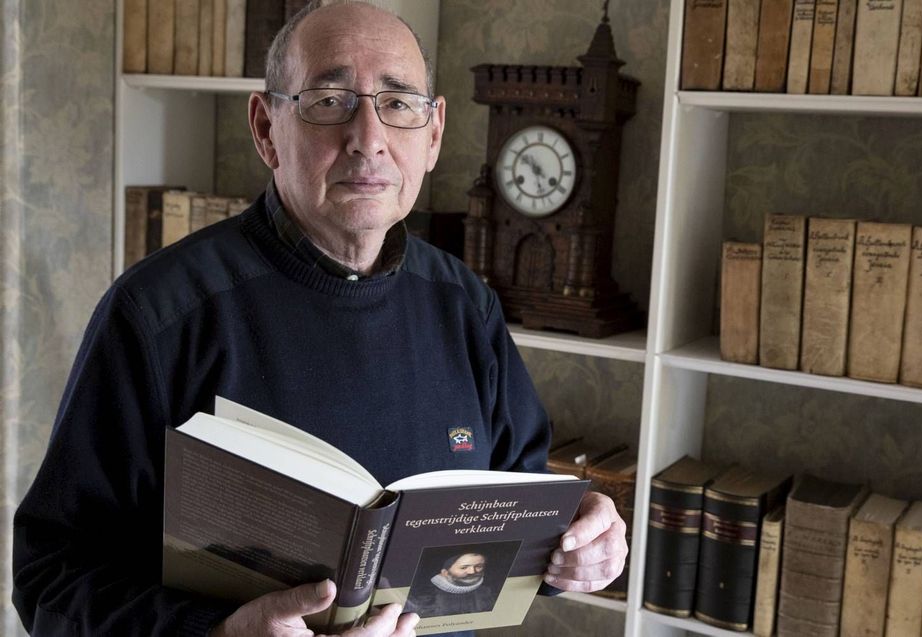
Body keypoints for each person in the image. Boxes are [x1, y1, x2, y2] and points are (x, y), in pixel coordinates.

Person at [11, 2, 628, 637]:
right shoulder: (159, 314)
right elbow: (50, 580)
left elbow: (522, 511)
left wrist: (582, 535)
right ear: (265, 128)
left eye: (398, 103)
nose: (369, 136)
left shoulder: (466, 305)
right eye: (329, 101)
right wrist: (215, 633)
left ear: (434, 133)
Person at [404, 552, 497, 618]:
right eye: (464, 567)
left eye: (479, 566)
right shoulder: (423, 595)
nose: (472, 571)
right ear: (445, 572)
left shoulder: (487, 592)